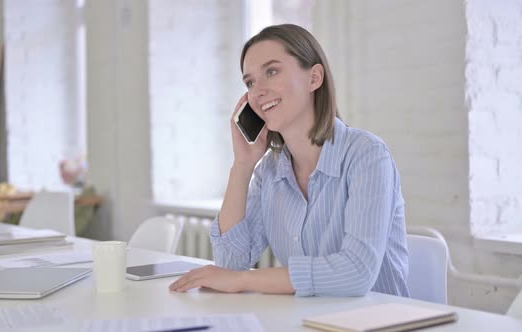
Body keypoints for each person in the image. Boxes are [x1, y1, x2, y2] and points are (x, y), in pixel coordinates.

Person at [170, 24, 409, 297]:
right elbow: (229, 264)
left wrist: (244, 281)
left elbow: (356, 273)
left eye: (271, 72)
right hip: (309, 320)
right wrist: (243, 166)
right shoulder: (269, 172)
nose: (258, 91)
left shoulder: (367, 155)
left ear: (314, 78)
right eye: (250, 82)